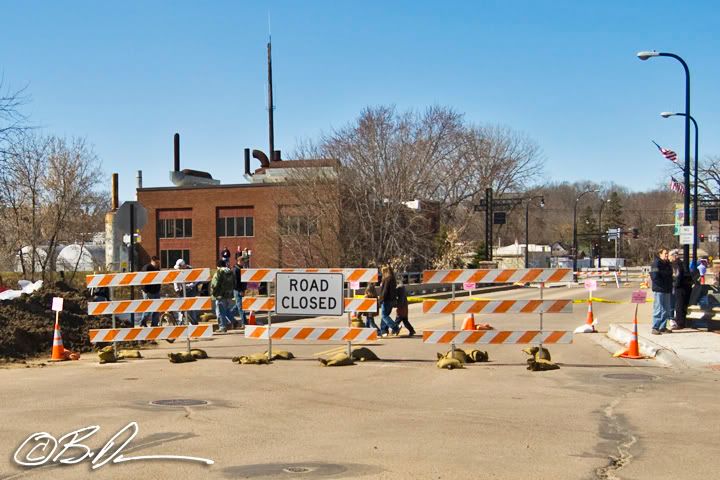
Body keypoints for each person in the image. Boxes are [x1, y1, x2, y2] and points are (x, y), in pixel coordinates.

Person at [650, 248, 673, 335]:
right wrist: (662, 285)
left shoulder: (667, 264)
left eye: (667, 253)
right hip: (659, 289)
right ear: (660, 254)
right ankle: (655, 327)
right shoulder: (656, 264)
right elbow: (654, 277)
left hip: (667, 289)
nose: (667, 255)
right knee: (658, 309)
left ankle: (662, 327)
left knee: (666, 309)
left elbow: (670, 275)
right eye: (665, 253)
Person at [211, 259, 235, 332]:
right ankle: (234, 322)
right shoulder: (230, 272)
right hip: (229, 294)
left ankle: (222, 327)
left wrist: (213, 292)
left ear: (218, 265)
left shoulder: (219, 272)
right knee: (226, 310)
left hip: (220, 295)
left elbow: (215, 284)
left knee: (220, 311)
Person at [173, 258, 199, 325]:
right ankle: (180, 322)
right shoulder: (177, 271)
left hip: (190, 290)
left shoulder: (191, 270)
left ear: (183, 266)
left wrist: (188, 286)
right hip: (181, 290)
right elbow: (175, 280)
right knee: (181, 307)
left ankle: (193, 323)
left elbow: (195, 281)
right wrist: (177, 289)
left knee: (191, 307)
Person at [139, 256, 162, 327]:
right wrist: (145, 291)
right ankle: (143, 322)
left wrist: (158, 288)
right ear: (152, 261)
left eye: (158, 262)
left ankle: (154, 324)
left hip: (156, 291)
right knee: (148, 308)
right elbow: (143, 280)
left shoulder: (157, 268)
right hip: (148, 292)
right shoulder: (147, 268)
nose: (158, 264)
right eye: (156, 262)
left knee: (157, 308)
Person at [378, 265, 397, 337]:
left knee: (384, 316)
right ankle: (384, 331)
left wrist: (381, 299)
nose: (382, 273)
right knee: (385, 315)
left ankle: (395, 327)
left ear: (385, 272)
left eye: (382, 272)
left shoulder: (387, 279)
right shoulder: (393, 279)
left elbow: (385, 291)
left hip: (386, 300)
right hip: (391, 300)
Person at [230, 258, 247, 328]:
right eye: (243, 262)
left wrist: (244, 289)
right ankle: (244, 323)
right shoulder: (236, 269)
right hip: (237, 290)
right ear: (239, 261)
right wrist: (240, 290)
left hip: (241, 290)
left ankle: (228, 314)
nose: (244, 263)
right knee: (240, 307)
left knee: (238, 306)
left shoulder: (241, 268)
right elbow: (236, 282)